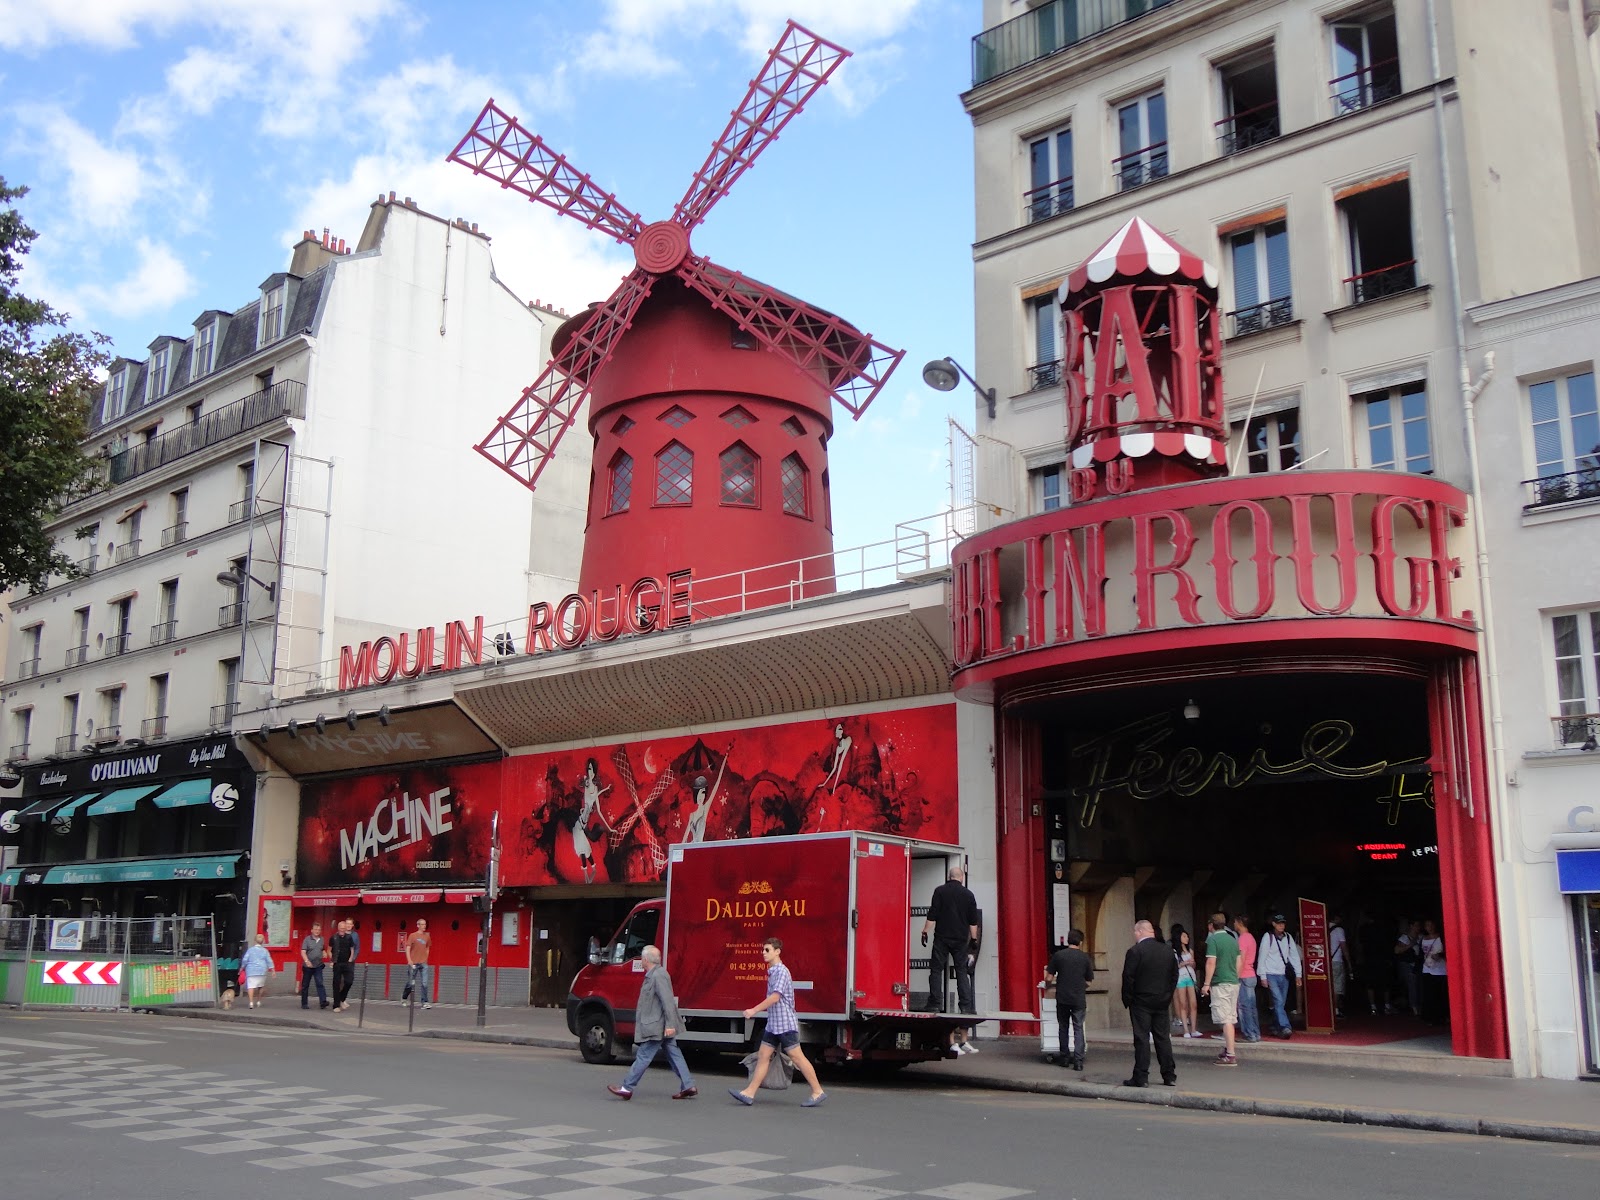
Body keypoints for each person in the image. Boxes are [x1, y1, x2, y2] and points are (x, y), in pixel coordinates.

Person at [729, 937, 826, 1107]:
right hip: (773, 1024)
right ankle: (749, 1093)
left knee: (797, 1058)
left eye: (767, 950)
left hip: (785, 1024)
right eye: (763, 950)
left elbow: (775, 997)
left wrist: (753, 1010)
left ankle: (818, 1091)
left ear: (777, 951)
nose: (763, 953)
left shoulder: (781, 971)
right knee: (763, 1056)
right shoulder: (773, 971)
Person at [607, 945, 697, 1100]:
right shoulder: (654, 974)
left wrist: (669, 1024)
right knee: (674, 1054)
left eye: (642, 958)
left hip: (657, 1026)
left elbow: (667, 1001)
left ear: (646, 960)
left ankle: (627, 1088)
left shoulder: (658, 976)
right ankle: (688, 1085)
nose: (641, 961)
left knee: (643, 1056)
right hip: (659, 1024)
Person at [921, 865, 980, 1054]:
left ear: (949, 877)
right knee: (962, 971)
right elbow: (973, 921)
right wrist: (974, 939)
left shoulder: (939, 891)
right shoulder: (968, 895)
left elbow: (933, 914)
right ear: (961, 877)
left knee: (936, 969)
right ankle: (965, 1006)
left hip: (942, 937)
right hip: (960, 939)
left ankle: (935, 1002)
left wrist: (925, 931)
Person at [1120, 919, 1178, 1088]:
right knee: (1163, 1038)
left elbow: (1128, 978)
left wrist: (1128, 999)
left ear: (1139, 932)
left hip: (1141, 1000)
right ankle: (1169, 1075)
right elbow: (1174, 976)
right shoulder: (1168, 951)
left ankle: (1141, 1076)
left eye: (1135, 933)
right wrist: (1168, 995)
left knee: (1142, 1038)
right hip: (1161, 1000)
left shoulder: (1135, 951)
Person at [1045, 928, 1094, 1070]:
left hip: (1062, 997)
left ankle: (1064, 1058)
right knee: (1078, 1028)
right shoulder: (1085, 958)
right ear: (1080, 942)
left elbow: (1048, 977)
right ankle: (1078, 1061)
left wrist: (1048, 985)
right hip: (1078, 998)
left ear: (1068, 940)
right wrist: (1080, 987)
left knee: (1063, 1027)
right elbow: (1089, 982)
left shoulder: (1059, 956)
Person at [1199, 912, 1240, 1067]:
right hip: (1233, 982)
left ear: (1211, 925)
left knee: (1225, 1019)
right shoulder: (1232, 939)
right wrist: (1236, 976)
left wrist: (1206, 984)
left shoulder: (1213, 940)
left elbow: (1211, 962)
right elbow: (1238, 960)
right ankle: (1228, 1048)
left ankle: (1230, 1055)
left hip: (1220, 982)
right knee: (1230, 1016)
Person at [1256, 913, 1301, 1039]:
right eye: (1279, 923)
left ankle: (1275, 1026)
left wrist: (1298, 974)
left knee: (1280, 1002)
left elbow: (1294, 956)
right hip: (1271, 974)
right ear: (1274, 924)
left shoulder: (1288, 937)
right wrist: (1263, 976)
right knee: (1278, 1000)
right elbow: (1262, 956)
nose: (1281, 925)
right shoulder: (1268, 937)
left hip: (1284, 974)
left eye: (1283, 923)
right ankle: (1285, 1026)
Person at [573, 758, 613, 884]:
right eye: (588, 768)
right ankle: (588, 873)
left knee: (584, 848)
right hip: (579, 825)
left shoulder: (594, 789)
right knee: (583, 848)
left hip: (581, 825)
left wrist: (610, 828)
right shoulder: (586, 785)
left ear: (594, 772)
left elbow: (599, 810)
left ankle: (591, 872)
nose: (590, 771)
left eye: (592, 769)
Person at [1233, 914, 1261, 1043]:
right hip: (1251, 974)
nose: (1234, 924)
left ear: (1239, 923)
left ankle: (1249, 1034)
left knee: (1244, 1007)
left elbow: (1241, 958)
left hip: (1244, 975)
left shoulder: (1243, 939)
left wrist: (1236, 976)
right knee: (1251, 1006)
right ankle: (1255, 1033)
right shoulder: (1251, 937)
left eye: (1235, 922)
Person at [1169, 924, 1199, 1039]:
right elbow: (1174, 967)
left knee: (1193, 1004)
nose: (1187, 938)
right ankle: (1186, 1029)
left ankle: (1194, 1029)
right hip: (1181, 978)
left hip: (1191, 978)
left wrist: (1192, 963)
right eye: (1184, 936)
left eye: (1187, 936)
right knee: (1183, 1004)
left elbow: (1194, 965)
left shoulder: (1190, 951)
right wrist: (1184, 963)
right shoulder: (1175, 951)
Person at [1419, 918, 1448, 1025]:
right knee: (1428, 994)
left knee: (1439, 994)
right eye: (1427, 925)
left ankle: (1441, 1017)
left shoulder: (1441, 937)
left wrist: (1440, 955)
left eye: (1431, 925)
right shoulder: (1423, 938)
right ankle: (1430, 1018)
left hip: (1440, 969)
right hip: (1427, 968)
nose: (1429, 928)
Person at [330, 917, 359, 1012]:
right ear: (338, 928)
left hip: (347, 963)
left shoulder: (350, 937)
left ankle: (342, 998)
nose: (343, 929)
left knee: (349, 981)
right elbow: (329, 949)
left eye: (344, 927)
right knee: (336, 983)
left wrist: (351, 959)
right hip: (337, 963)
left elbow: (353, 948)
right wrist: (332, 960)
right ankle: (336, 1005)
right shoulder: (334, 937)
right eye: (341, 927)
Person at [1395, 918, 1423, 1016]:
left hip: (1418, 964)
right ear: (1411, 926)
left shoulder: (1421, 937)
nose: (1418, 928)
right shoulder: (1404, 937)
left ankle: (1420, 1005)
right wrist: (1410, 945)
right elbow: (1397, 950)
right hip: (1407, 964)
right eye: (1416, 925)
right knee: (1412, 984)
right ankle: (1414, 1007)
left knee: (1419, 984)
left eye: (1419, 926)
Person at [404, 917, 433, 1009]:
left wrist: (426, 958)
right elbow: (407, 948)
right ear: (418, 925)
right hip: (413, 963)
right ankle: (404, 997)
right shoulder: (412, 936)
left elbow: (427, 948)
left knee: (424, 983)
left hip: (423, 963)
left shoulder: (427, 936)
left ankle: (424, 1002)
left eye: (425, 924)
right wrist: (409, 960)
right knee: (410, 983)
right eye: (422, 924)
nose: (424, 926)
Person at [299, 921, 328, 1010]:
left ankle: (323, 1002)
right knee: (305, 985)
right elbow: (303, 951)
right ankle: (304, 1003)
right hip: (308, 966)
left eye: (319, 930)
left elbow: (322, 948)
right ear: (312, 930)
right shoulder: (307, 940)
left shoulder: (322, 939)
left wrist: (324, 952)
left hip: (318, 965)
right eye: (315, 929)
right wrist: (307, 961)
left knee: (320, 983)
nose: (317, 931)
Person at [241, 934, 273, 1010]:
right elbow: (269, 960)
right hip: (262, 970)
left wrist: (242, 967)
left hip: (251, 970)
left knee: (251, 987)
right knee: (260, 986)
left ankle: (251, 1003)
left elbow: (245, 960)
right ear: (263, 941)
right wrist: (272, 969)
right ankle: (258, 1001)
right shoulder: (265, 951)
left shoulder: (250, 950)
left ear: (254, 941)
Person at [1329, 914, 1350, 1018]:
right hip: (1336, 960)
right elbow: (1343, 947)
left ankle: (1327, 1008)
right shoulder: (1339, 930)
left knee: (1328, 985)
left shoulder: (1323, 928)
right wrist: (1349, 962)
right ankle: (1335, 1010)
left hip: (1326, 962)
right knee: (1337, 986)